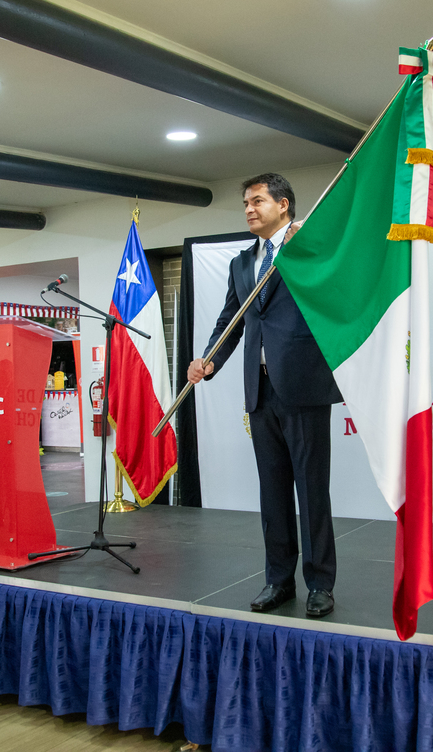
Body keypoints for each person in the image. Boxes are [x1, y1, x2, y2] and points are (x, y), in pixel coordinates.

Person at [187, 172, 341, 618]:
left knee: (312, 491)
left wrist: (306, 245)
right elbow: (231, 320)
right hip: (259, 391)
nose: (249, 210)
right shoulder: (242, 263)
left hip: (303, 386)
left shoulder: (307, 247)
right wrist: (209, 360)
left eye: (258, 201)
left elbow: (332, 286)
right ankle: (279, 580)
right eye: (246, 204)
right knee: (272, 492)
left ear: (284, 205)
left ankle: (320, 584)